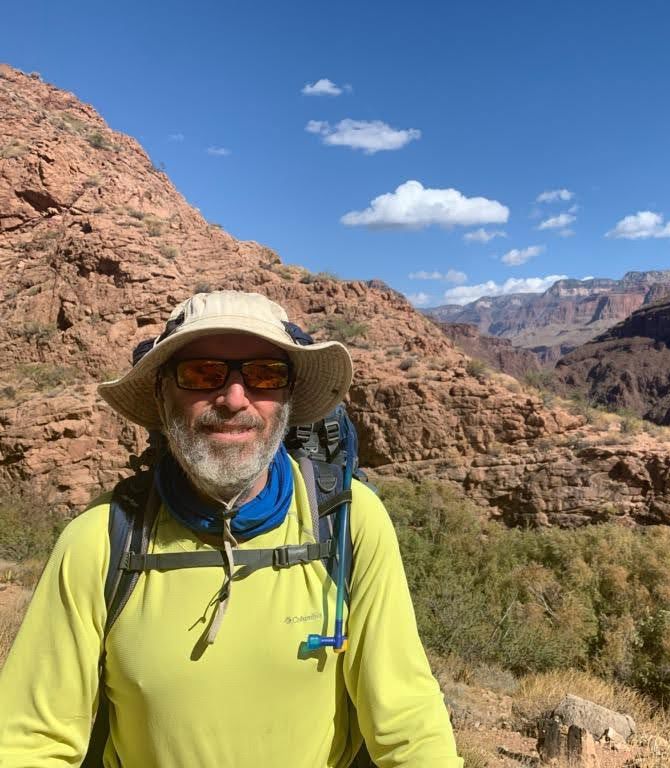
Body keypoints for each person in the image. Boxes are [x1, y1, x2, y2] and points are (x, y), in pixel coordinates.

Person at [0, 291, 462, 767]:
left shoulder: (347, 520)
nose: (235, 399)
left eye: (265, 374)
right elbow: (30, 743)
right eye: (202, 373)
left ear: (287, 397)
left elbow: (409, 723)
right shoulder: (98, 540)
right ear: (162, 394)